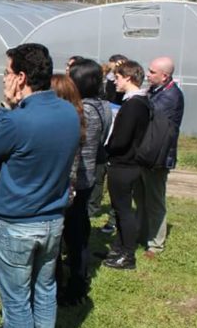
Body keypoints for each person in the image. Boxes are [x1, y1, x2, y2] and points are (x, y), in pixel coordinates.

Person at [0, 43, 79, 328]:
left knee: (17, 302)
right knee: (45, 293)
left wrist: (5, 106)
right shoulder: (68, 111)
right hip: (53, 220)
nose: (4, 78)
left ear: (21, 77)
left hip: (16, 225)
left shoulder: (18, 119)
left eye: (7, 73)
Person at [64, 59, 111, 305]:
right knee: (79, 226)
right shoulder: (102, 105)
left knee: (75, 232)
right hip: (88, 175)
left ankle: (76, 282)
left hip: (79, 179)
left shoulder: (87, 111)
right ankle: (76, 273)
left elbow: (79, 147)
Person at [103, 60, 151, 270]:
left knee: (123, 210)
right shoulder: (138, 102)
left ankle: (128, 255)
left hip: (124, 164)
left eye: (118, 78)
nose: (115, 82)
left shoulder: (133, 105)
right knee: (120, 208)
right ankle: (118, 249)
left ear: (129, 78)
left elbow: (122, 139)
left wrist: (108, 148)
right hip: (128, 163)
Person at [136, 56, 184, 259]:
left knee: (155, 200)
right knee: (141, 197)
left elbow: (149, 116)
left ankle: (155, 244)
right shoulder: (157, 91)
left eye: (152, 72)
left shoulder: (170, 97)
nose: (147, 74)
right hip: (146, 154)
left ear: (164, 76)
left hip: (158, 157)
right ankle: (143, 234)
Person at [96, 54, 129, 233]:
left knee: (117, 186)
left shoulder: (130, 100)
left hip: (117, 143)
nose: (115, 80)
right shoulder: (107, 86)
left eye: (118, 76)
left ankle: (114, 219)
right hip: (106, 137)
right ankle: (95, 206)